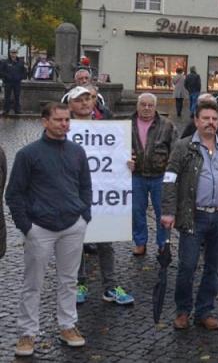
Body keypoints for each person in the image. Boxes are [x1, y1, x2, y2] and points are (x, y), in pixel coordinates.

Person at [6, 103, 90, 356]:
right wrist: (26, 227)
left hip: (72, 225)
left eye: (67, 120)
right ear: (45, 121)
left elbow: (85, 186)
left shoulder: (77, 152)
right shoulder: (28, 154)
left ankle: (67, 325)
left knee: (69, 280)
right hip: (39, 228)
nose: (64, 124)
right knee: (33, 283)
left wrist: (84, 215)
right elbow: (14, 194)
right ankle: (27, 333)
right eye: (58, 120)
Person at [162, 100, 218, 331]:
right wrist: (169, 211)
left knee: (214, 267)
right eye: (206, 118)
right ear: (196, 121)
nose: (211, 123)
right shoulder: (183, 147)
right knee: (187, 266)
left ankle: (205, 311)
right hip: (194, 216)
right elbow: (169, 180)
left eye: (214, 119)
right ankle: (182, 311)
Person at [68, 86, 134, 306]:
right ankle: (79, 283)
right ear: (70, 105)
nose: (85, 104)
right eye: (79, 100)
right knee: (76, 242)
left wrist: (128, 164)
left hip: (103, 197)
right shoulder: (63, 129)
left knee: (106, 242)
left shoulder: (108, 129)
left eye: (88, 99)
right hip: (73, 196)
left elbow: (116, 158)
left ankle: (110, 286)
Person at [129, 92, 176, 256]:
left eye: (150, 105)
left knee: (161, 212)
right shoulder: (128, 124)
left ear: (155, 107)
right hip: (136, 175)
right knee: (136, 211)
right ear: (137, 105)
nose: (147, 108)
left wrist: (171, 174)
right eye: (143, 104)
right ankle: (140, 242)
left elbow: (174, 151)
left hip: (160, 176)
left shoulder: (167, 125)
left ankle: (162, 243)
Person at [2, 49, 27, 115]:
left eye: (15, 53)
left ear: (17, 53)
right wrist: (6, 77)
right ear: (10, 53)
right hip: (8, 82)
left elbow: (24, 72)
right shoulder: (5, 62)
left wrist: (20, 77)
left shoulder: (20, 62)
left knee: (17, 96)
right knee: (7, 96)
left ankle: (17, 110)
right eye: (12, 53)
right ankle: (6, 110)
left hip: (17, 82)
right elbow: (1, 71)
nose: (13, 54)